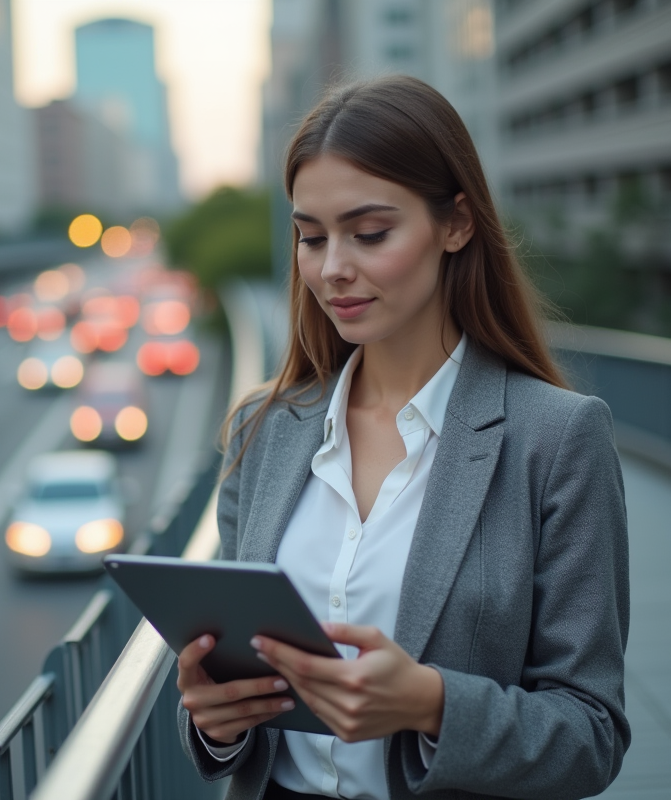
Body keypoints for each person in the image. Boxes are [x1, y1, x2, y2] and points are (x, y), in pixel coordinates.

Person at [176, 76, 629, 800]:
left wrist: (430, 703)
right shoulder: (262, 429)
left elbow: (590, 736)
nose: (332, 270)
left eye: (370, 233)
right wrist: (215, 720)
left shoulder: (557, 440)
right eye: (310, 237)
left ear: (456, 223)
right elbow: (236, 693)